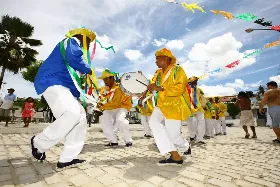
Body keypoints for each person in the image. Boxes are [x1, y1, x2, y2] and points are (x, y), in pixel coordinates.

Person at [32, 28, 96, 169]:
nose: (89, 45)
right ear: (82, 37)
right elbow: (74, 58)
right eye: (88, 41)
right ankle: (39, 143)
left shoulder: (70, 47)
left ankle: (68, 158)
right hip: (52, 81)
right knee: (72, 113)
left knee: (80, 118)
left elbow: (71, 77)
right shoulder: (71, 41)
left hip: (62, 86)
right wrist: (88, 69)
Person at [148, 48, 192, 165]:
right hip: (161, 105)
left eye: (157, 59)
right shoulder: (157, 73)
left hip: (174, 104)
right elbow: (153, 86)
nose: (155, 61)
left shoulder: (178, 70)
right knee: (153, 123)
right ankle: (174, 154)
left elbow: (180, 87)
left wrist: (161, 88)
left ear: (166, 58)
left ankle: (185, 146)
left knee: (174, 136)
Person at [97, 69, 133, 147]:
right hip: (110, 108)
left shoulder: (119, 87)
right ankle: (113, 141)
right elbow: (102, 99)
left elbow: (116, 103)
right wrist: (99, 104)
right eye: (103, 79)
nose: (104, 81)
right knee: (104, 122)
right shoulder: (104, 89)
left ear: (112, 78)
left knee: (120, 120)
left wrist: (102, 105)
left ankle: (128, 141)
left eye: (106, 79)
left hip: (122, 107)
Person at [187, 76, 206, 144]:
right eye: (194, 81)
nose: (196, 82)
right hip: (189, 108)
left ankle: (200, 138)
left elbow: (202, 98)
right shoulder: (186, 89)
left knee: (201, 122)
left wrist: (203, 105)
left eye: (196, 81)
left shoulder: (199, 89)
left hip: (199, 108)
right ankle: (192, 136)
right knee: (191, 122)